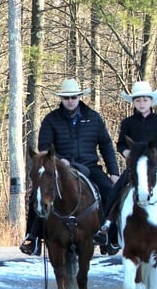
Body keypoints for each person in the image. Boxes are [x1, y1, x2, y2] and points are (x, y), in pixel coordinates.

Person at [20, 78, 120, 256]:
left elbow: (106, 145)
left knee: (109, 191)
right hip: (60, 168)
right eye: (66, 98)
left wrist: (114, 172)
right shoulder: (51, 120)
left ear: (79, 97)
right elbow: (44, 147)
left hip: (90, 166)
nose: (70, 101)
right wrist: (59, 161)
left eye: (74, 97)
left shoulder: (94, 118)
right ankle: (33, 238)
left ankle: (109, 237)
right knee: (37, 195)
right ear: (61, 99)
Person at [95, 81, 157, 249]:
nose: (142, 103)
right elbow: (120, 144)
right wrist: (125, 152)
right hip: (134, 168)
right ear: (133, 103)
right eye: (138, 100)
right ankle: (107, 230)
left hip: (156, 168)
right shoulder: (127, 123)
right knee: (114, 193)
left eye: (145, 100)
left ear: (151, 102)